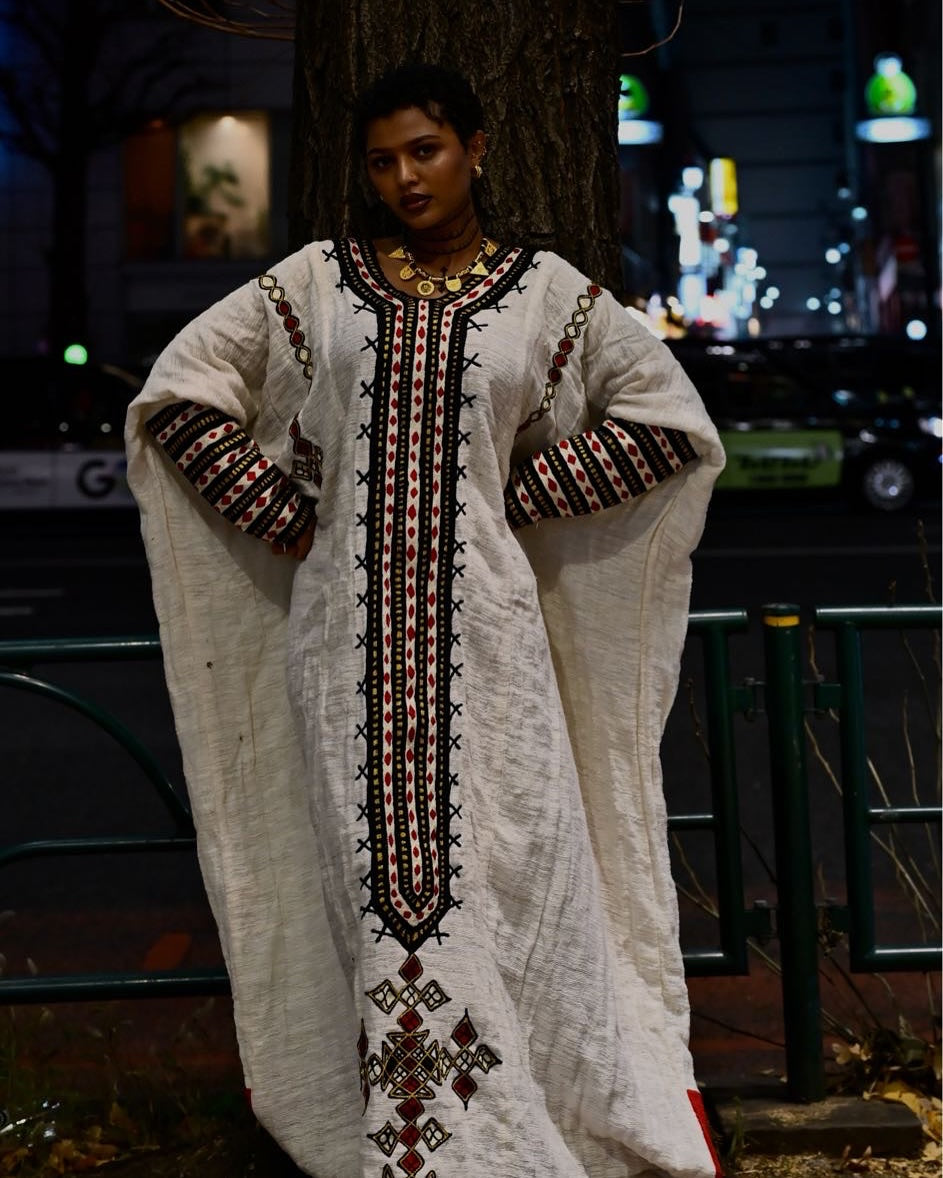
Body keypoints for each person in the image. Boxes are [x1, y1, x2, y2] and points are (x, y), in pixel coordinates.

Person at [126, 63, 725, 1178]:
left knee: (512, 875)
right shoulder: (315, 285)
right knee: (369, 891)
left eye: (425, 151)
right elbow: (179, 394)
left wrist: (517, 500)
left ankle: (521, 1127)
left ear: (477, 149)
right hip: (340, 653)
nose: (403, 177)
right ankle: (402, 1141)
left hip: (495, 657)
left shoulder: (545, 295)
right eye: (382, 160)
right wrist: (285, 514)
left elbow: (666, 422)